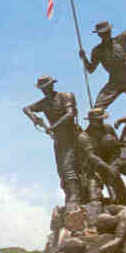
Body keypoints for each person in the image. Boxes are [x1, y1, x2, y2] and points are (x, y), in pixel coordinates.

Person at [79, 0, 126, 146]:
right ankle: (90, 139)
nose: (105, 35)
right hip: (113, 80)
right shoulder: (97, 51)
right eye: (102, 33)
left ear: (110, 31)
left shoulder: (120, 39)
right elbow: (91, 69)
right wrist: (84, 58)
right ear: (99, 35)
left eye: (107, 32)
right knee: (96, 109)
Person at [23, 76, 79, 212]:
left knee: (68, 167)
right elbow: (26, 108)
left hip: (72, 136)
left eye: (47, 87)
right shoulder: (44, 103)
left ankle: (74, 198)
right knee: (61, 170)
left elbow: (70, 114)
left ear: (52, 85)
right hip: (59, 139)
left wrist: (53, 127)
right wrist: (34, 118)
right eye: (42, 89)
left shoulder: (65, 96)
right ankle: (69, 196)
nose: (45, 90)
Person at [76, 107, 126, 206]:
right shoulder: (84, 137)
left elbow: (116, 146)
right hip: (93, 169)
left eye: (102, 119)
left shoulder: (108, 128)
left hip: (110, 163)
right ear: (91, 121)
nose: (100, 122)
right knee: (94, 198)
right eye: (98, 120)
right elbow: (91, 156)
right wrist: (109, 169)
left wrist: (115, 164)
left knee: (121, 199)